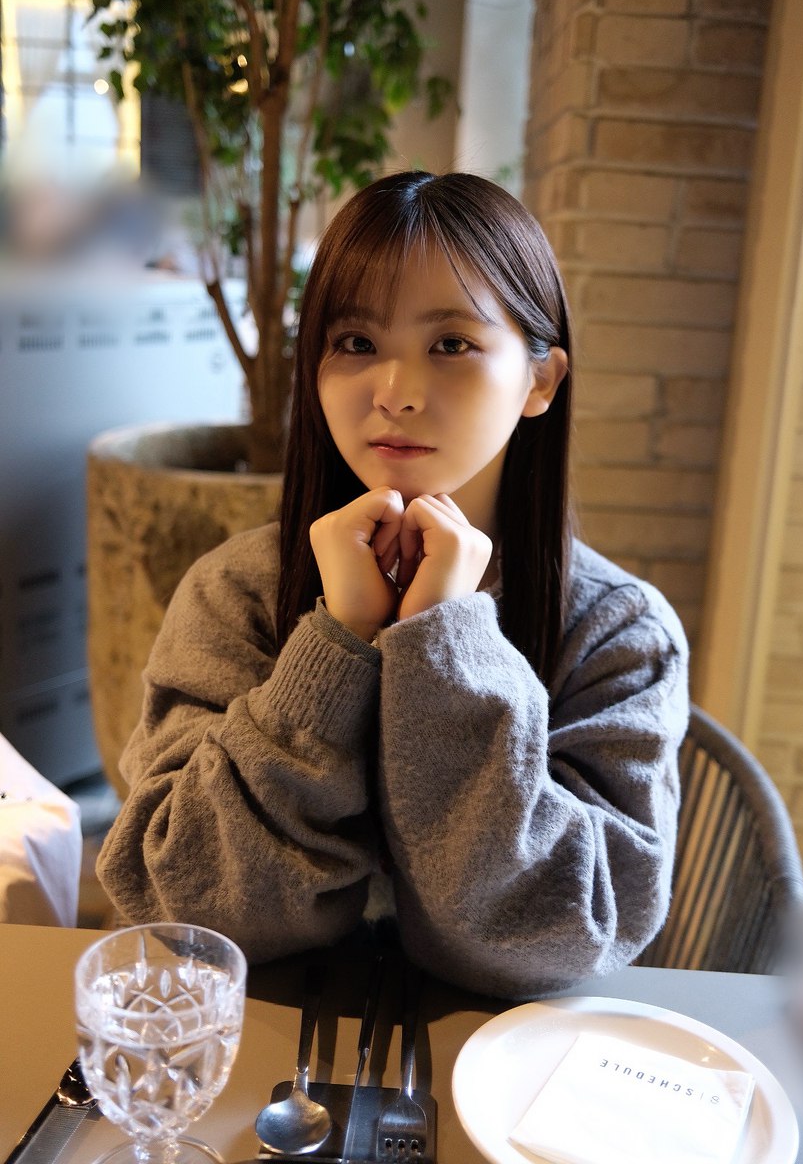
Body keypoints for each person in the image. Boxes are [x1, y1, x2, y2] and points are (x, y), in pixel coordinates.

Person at [97, 171, 689, 999]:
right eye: (354, 343)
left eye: (451, 344)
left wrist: (448, 642)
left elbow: (562, 938)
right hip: (260, 1045)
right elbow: (180, 903)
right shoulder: (235, 592)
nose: (396, 394)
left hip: (505, 1056)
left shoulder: (617, 631)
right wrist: (334, 645)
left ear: (541, 380)